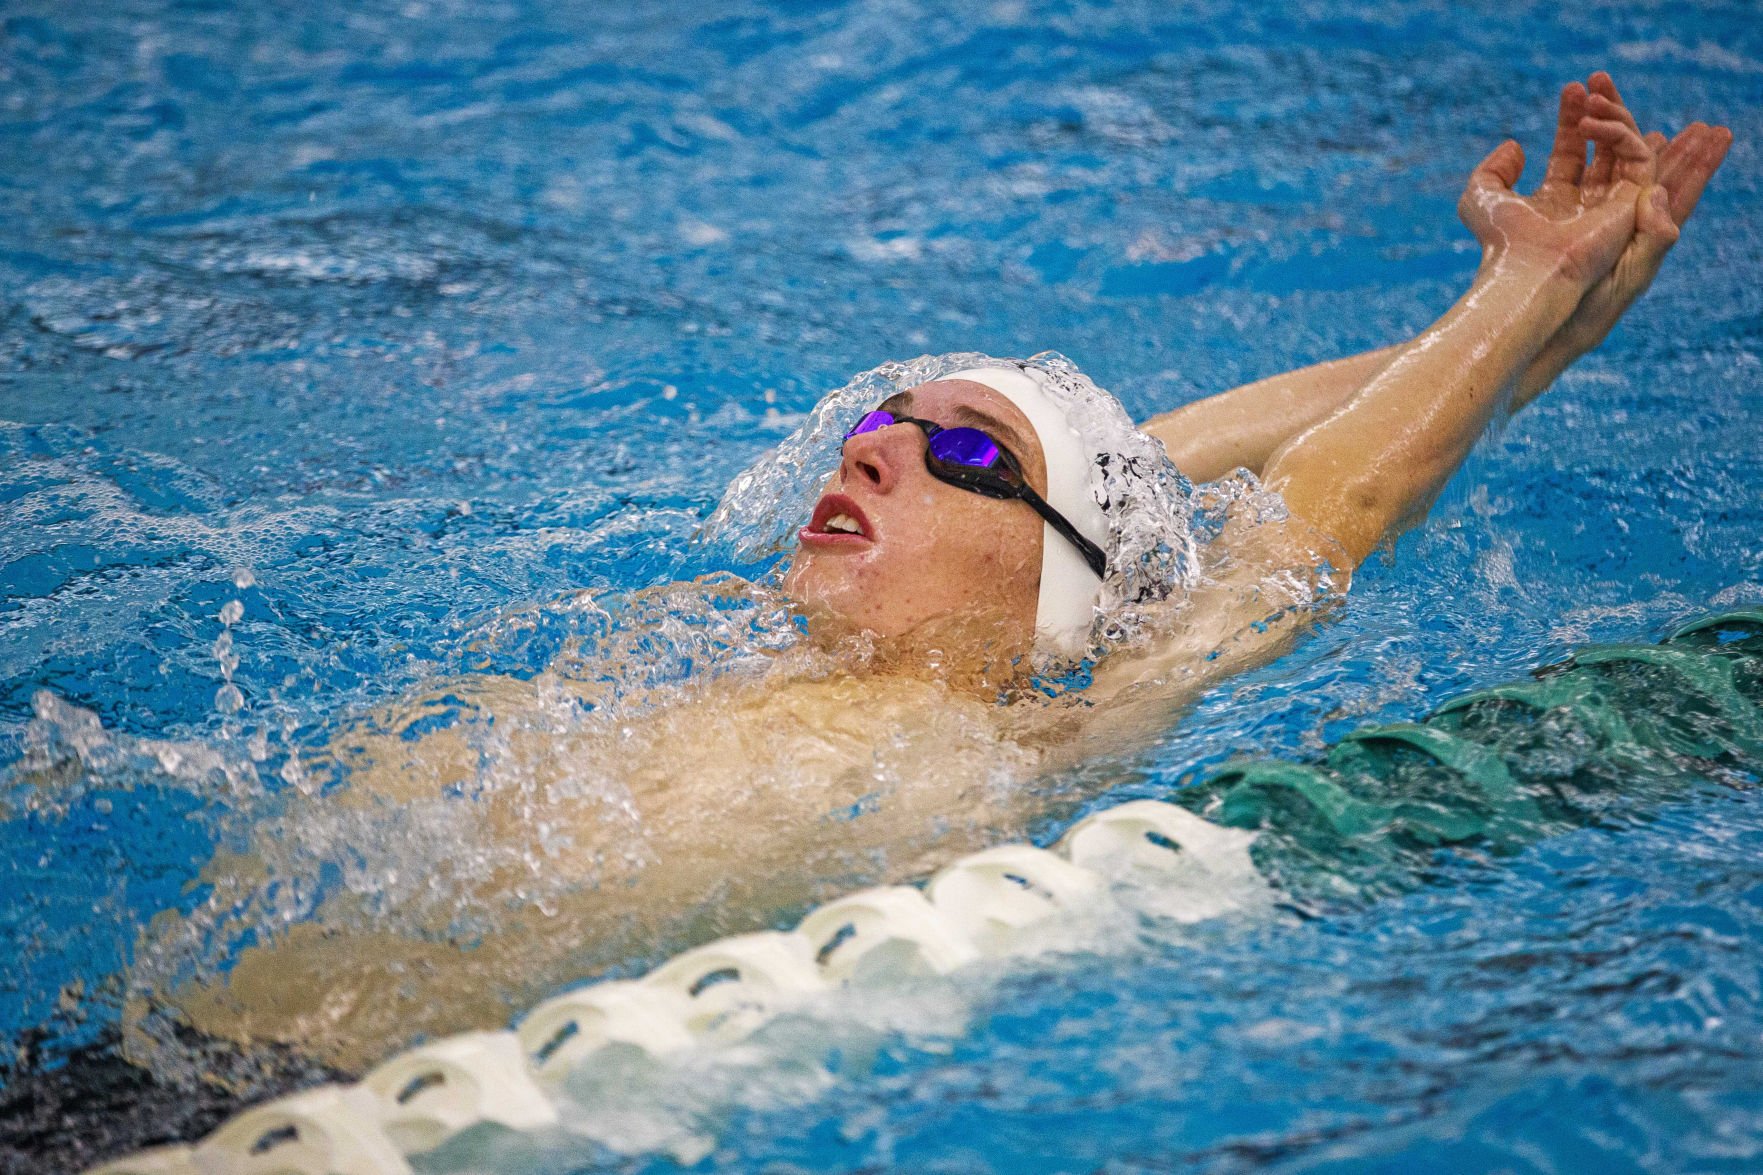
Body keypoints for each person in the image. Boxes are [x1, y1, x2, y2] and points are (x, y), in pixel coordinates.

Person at [127, 74, 1731, 1074]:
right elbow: (1144, 461)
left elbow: (1320, 510)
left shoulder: (1017, 730)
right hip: (163, 1049)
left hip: (350, 1106)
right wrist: (1525, 323)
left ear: (1065, 594)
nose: (871, 450)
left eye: (962, 455)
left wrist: (1522, 303)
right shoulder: (745, 639)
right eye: (882, 426)